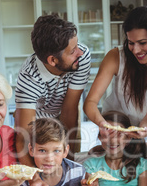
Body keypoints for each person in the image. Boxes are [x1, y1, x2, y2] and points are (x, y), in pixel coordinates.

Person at [83, 6, 147, 141]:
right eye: (131, 43)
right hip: (112, 133)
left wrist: (143, 130)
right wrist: (102, 124)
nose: (135, 50)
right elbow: (90, 102)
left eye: (142, 43)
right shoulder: (115, 57)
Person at [14, 14, 91, 164]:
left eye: (77, 45)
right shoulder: (29, 78)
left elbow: (69, 109)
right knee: (44, 159)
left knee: (67, 159)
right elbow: (22, 140)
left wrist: (69, 164)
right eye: (72, 50)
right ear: (52, 60)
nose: (79, 52)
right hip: (38, 118)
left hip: (65, 109)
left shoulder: (82, 56)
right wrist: (34, 179)